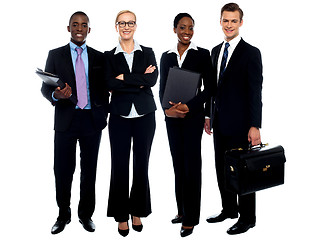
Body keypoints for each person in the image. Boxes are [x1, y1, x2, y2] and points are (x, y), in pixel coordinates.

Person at [41, 11, 108, 234]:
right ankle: (63, 214)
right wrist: (56, 96)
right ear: (68, 28)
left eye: (84, 25)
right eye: (75, 24)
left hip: (91, 120)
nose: (79, 28)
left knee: (89, 171)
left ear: (89, 29)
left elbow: (104, 89)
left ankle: (85, 215)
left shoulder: (99, 57)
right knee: (62, 169)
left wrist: (103, 112)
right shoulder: (55, 55)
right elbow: (45, 87)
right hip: (65, 120)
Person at [204, 3, 263, 235]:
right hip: (219, 122)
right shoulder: (215, 51)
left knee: (243, 171)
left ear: (240, 22)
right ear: (220, 21)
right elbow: (211, 88)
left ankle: (247, 218)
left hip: (242, 125)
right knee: (221, 167)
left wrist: (254, 125)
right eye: (225, 20)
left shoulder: (251, 53)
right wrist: (208, 114)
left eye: (233, 21)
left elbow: (254, 92)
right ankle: (228, 209)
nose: (229, 25)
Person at [159, 13, 216, 238]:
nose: (187, 31)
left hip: (192, 119)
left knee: (191, 166)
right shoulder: (166, 56)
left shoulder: (202, 54)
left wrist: (189, 106)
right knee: (178, 165)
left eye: (191, 28)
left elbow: (210, 88)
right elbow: (162, 88)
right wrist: (167, 110)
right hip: (172, 120)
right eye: (182, 27)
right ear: (174, 29)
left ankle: (191, 218)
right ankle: (182, 211)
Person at [104, 10, 158, 237]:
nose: (127, 26)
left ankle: (138, 211)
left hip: (145, 116)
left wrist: (124, 78)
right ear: (116, 26)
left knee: (141, 165)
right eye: (122, 23)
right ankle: (121, 215)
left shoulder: (148, 52)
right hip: (119, 117)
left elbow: (152, 80)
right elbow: (107, 83)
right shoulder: (108, 56)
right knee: (119, 166)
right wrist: (139, 81)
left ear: (136, 26)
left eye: (130, 23)